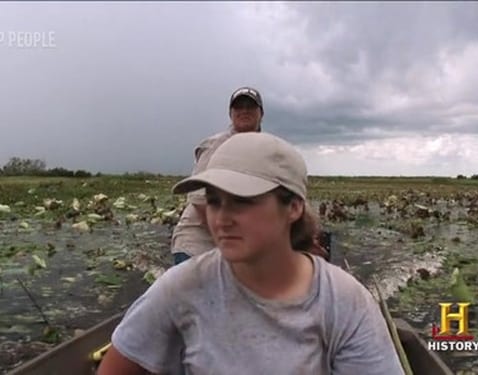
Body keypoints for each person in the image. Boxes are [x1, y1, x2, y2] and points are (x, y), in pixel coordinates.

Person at [97, 132, 405, 375]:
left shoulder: (344, 302)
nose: (221, 218)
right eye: (215, 201)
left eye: (241, 201)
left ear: (294, 207)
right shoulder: (181, 288)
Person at [171, 86, 264, 265]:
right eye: (238, 107)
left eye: (250, 106)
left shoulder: (262, 149)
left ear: (261, 113)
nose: (244, 110)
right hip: (197, 245)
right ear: (231, 113)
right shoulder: (216, 145)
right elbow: (199, 201)